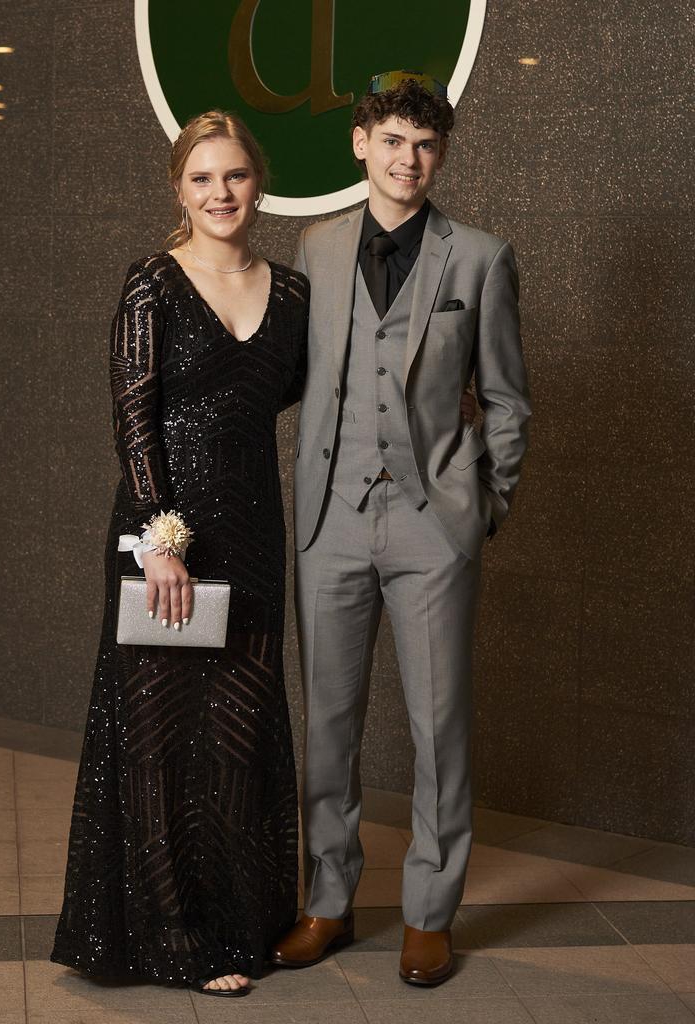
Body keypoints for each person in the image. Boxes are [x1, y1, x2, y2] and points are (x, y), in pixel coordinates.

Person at [270, 73, 531, 986]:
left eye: (424, 145)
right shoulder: (315, 247)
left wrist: (480, 507)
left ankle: (429, 910)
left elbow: (506, 400)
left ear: (441, 154)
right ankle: (328, 899)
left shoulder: (481, 258)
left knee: (438, 726)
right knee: (330, 725)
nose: (407, 159)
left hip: (434, 526)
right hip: (331, 521)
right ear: (360, 146)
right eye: (391, 140)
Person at [51, 110, 308, 997]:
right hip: (166, 541)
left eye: (233, 176)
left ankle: (243, 923)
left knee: (238, 740)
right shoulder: (151, 284)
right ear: (178, 189)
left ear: (257, 183)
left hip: (254, 543)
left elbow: (340, 397)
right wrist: (158, 538)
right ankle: (174, 938)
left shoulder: (295, 294)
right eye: (201, 179)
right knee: (158, 743)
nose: (220, 193)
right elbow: (134, 417)